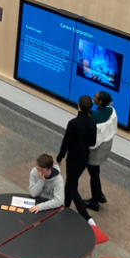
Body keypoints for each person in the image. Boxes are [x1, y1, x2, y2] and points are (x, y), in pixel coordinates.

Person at [56, 95, 96, 225]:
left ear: (78, 106)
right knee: (71, 182)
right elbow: (92, 142)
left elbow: (66, 142)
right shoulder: (92, 123)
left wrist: (60, 156)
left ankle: (86, 217)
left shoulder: (73, 123)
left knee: (72, 187)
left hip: (73, 158)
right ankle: (65, 206)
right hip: (84, 158)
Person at [85, 91, 117, 211]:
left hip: (96, 149)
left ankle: (94, 202)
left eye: (96, 97)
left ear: (101, 102)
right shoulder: (110, 110)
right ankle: (99, 195)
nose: (94, 98)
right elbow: (99, 114)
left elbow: (90, 131)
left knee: (93, 174)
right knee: (96, 172)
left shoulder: (94, 118)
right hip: (105, 146)